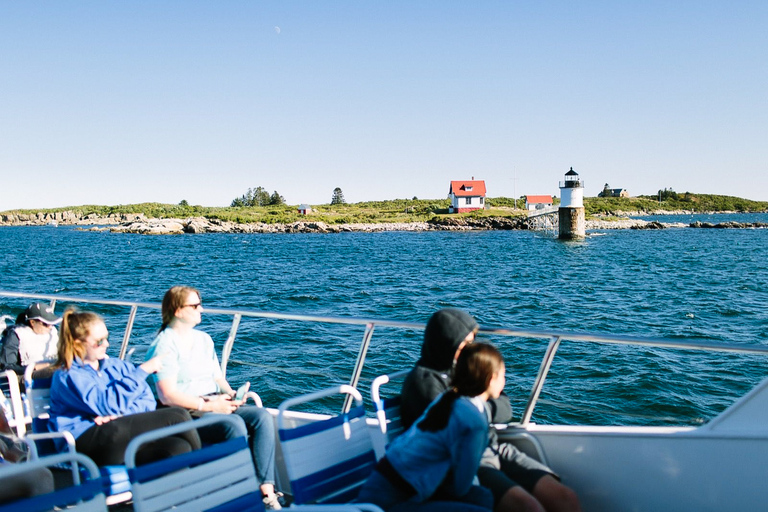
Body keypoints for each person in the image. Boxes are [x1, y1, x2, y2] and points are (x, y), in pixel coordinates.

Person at [401, 309, 581, 512]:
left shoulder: (464, 368)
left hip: (496, 446)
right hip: (467, 460)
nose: (471, 349)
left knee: (565, 498)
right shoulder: (424, 384)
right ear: (447, 343)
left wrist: (477, 408)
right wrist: (482, 405)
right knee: (529, 507)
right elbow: (451, 431)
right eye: (465, 344)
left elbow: (505, 407)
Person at [145, 286, 282, 510]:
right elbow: (167, 396)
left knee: (261, 417)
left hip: (213, 401)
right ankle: (239, 495)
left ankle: (265, 492)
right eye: (196, 305)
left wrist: (230, 394)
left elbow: (217, 377)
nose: (202, 309)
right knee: (234, 424)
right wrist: (208, 406)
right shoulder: (164, 344)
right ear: (178, 311)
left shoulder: (204, 339)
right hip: (183, 411)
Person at [357, 342, 505, 511]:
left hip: (383, 485)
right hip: (391, 502)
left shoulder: (447, 399)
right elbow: (460, 488)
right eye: (503, 375)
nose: (504, 381)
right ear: (491, 378)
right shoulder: (474, 421)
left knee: (482, 497)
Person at [49, 309, 201, 466]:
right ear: (77, 343)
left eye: (107, 338)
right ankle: (203, 473)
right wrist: (142, 371)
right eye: (99, 341)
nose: (106, 344)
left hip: (117, 435)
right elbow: (107, 405)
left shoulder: (115, 366)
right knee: (178, 416)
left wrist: (123, 416)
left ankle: (173, 488)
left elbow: (147, 399)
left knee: (177, 447)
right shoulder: (68, 376)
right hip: (84, 441)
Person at [0, 303, 61, 378]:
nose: (50, 327)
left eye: (52, 323)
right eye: (46, 324)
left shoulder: (53, 333)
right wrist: (34, 367)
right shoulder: (16, 335)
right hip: (27, 376)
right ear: (32, 322)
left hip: (52, 371)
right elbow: (7, 367)